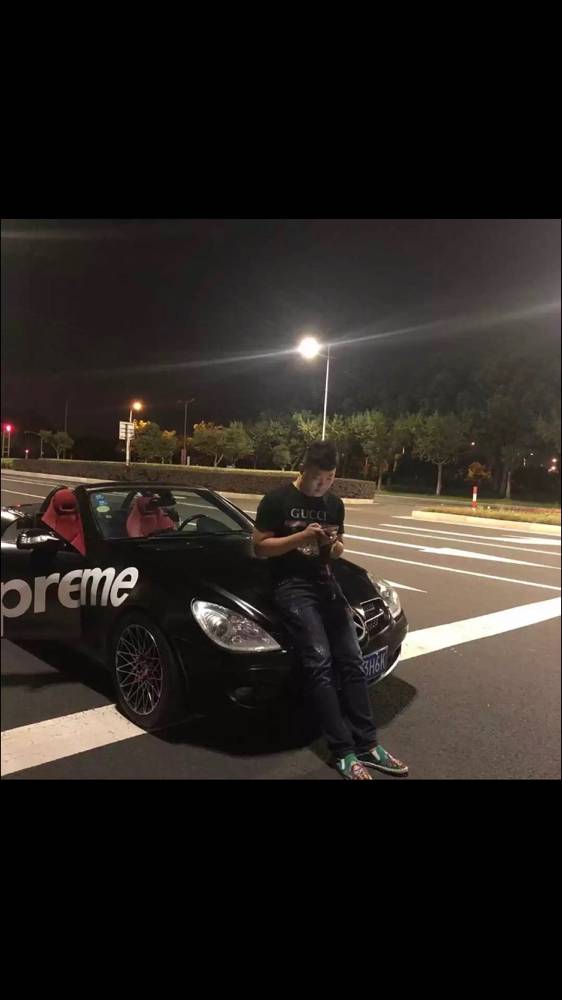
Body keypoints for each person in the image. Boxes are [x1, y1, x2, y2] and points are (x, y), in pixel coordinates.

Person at [253, 440, 408, 780]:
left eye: (330, 478)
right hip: (292, 588)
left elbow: (338, 551)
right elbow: (260, 547)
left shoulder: (334, 504)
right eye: (317, 477)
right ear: (304, 468)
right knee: (319, 662)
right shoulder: (277, 500)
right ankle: (343, 751)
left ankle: (368, 745)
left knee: (351, 660)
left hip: (327, 584)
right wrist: (299, 538)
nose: (322, 485)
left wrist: (330, 544)